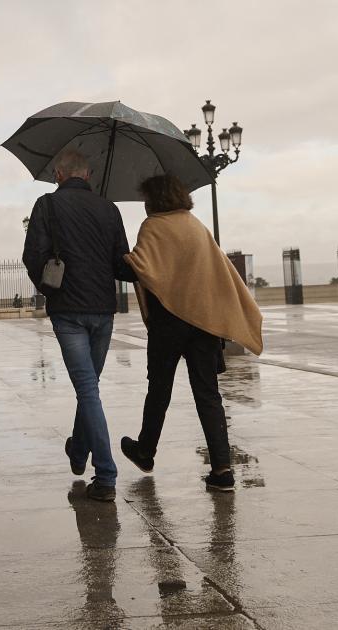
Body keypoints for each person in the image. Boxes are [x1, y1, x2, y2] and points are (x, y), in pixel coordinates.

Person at [116, 174, 263, 492]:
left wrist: (117, 257)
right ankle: (222, 470)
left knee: (159, 389)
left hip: (168, 322)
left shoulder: (154, 226)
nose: (144, 205)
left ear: (155, 199)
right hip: (203, 322)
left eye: (146, 199)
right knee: (208, 395)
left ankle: (145, 451)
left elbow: (139, 269)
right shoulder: (196, 226)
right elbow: (216, 271)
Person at [22, 148, 131, 502]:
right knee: (90, 388)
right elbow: (121, 264)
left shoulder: (46, 206)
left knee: (88, 391)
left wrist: (51, 287)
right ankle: (79, 449)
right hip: (103, 309)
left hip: (68, 310)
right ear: (88, 175)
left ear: (59, 175)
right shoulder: (110, 209)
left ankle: (107, 476)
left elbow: (32, 255)